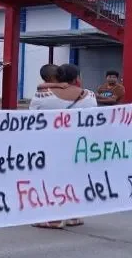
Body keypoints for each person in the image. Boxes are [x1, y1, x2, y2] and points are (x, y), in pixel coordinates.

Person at [29, 63, 97, 229]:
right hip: (79, 145)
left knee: (51, 179)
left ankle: (54, 217)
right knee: (73, 177)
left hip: (49, 145)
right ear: (77, 78)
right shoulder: (90, 96)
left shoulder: (42, 95)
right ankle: (73, 215)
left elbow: (30, 121)